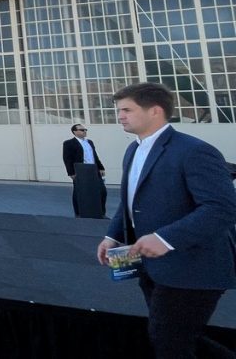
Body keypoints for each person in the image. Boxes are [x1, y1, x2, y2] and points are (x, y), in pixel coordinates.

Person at [96, 82, 236, 358]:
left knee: (169, 339)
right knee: (173, 337)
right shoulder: (132, 151)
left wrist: (165, 238)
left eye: (127, 110)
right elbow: (130, 202)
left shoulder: (194, 151)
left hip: (193, 267)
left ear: (155, 111)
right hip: (150, 265)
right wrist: (112, 235)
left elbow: (221, 208)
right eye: (119, 110)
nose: (119, 116)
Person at [62, 123, 107, 217]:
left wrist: (101, 167)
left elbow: (95, 155)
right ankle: (78, 213)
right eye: (82, 130)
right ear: (75, 132)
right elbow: (67, 159)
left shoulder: (89, 142)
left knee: (102, 191)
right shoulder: (69, 143)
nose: (85, 131)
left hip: (93, 169)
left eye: (85, 130)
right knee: (78, 192)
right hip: (80, 170)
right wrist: (71, 173)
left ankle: (101, 213)